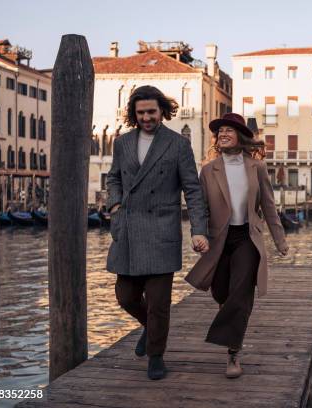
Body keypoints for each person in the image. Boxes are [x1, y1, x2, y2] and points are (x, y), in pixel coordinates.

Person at [105, 85, 209, 380]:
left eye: (152, 111)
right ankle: (150, 328)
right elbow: (113, 178)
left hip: (161, 230)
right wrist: (114, 205)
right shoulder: (122, 143)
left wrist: (198, 230)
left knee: (160, 303)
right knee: (125, 296)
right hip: (128, 228)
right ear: (133, 114)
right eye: (141, 113)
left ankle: (156, 356)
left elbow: (193, 189)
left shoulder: (177, 144)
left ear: (162, 111)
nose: (147, 117)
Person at [186, 112, 288, 378]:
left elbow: (268, 205)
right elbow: (201, 208)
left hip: (246, 238)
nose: (223, 134)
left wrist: (279, 239)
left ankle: (233, 354)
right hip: (218, 241)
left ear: (241, 136)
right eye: (220, 132)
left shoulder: (257, 167)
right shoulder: (208, 170)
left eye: (229, 130)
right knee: (221, 293)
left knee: (240, 294)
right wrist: (198, 235)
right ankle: (228, 320)